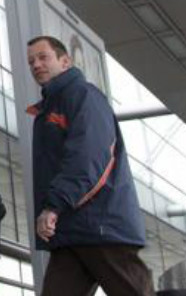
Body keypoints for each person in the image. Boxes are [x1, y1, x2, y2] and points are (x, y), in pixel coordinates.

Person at [26, 36, 153, 296]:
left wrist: (53, 205)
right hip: (71, 231)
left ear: (65, 61)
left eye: (43, 57)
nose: (36, 64)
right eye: (31, 61)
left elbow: (89, 157)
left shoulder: (83, 96)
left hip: (101, 226)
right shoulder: (48, 109)